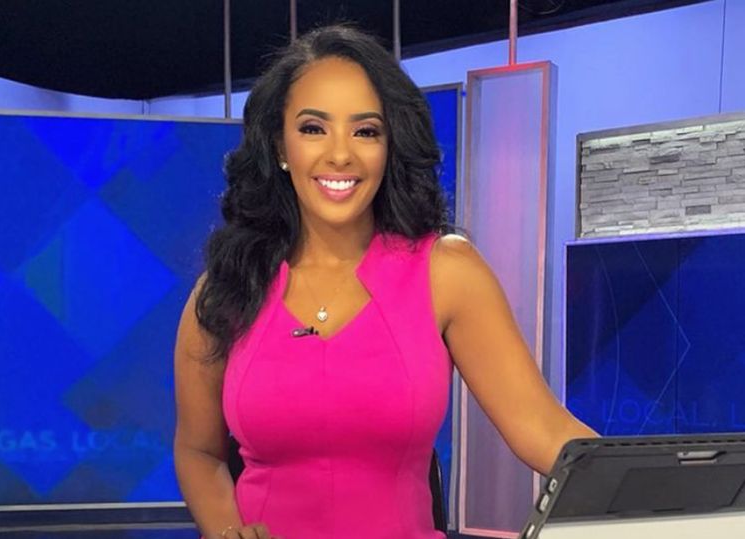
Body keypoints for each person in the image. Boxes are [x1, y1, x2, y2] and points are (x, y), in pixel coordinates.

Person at [173, 24, 595, 539]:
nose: (340, 155)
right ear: (280, 146)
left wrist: (661, 491)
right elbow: (198, 451)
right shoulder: (227, 288)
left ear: (390, 145)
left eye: (366, 131)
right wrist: (226, 531)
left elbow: (546, 431)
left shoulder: (446, 272)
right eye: (313, 128)